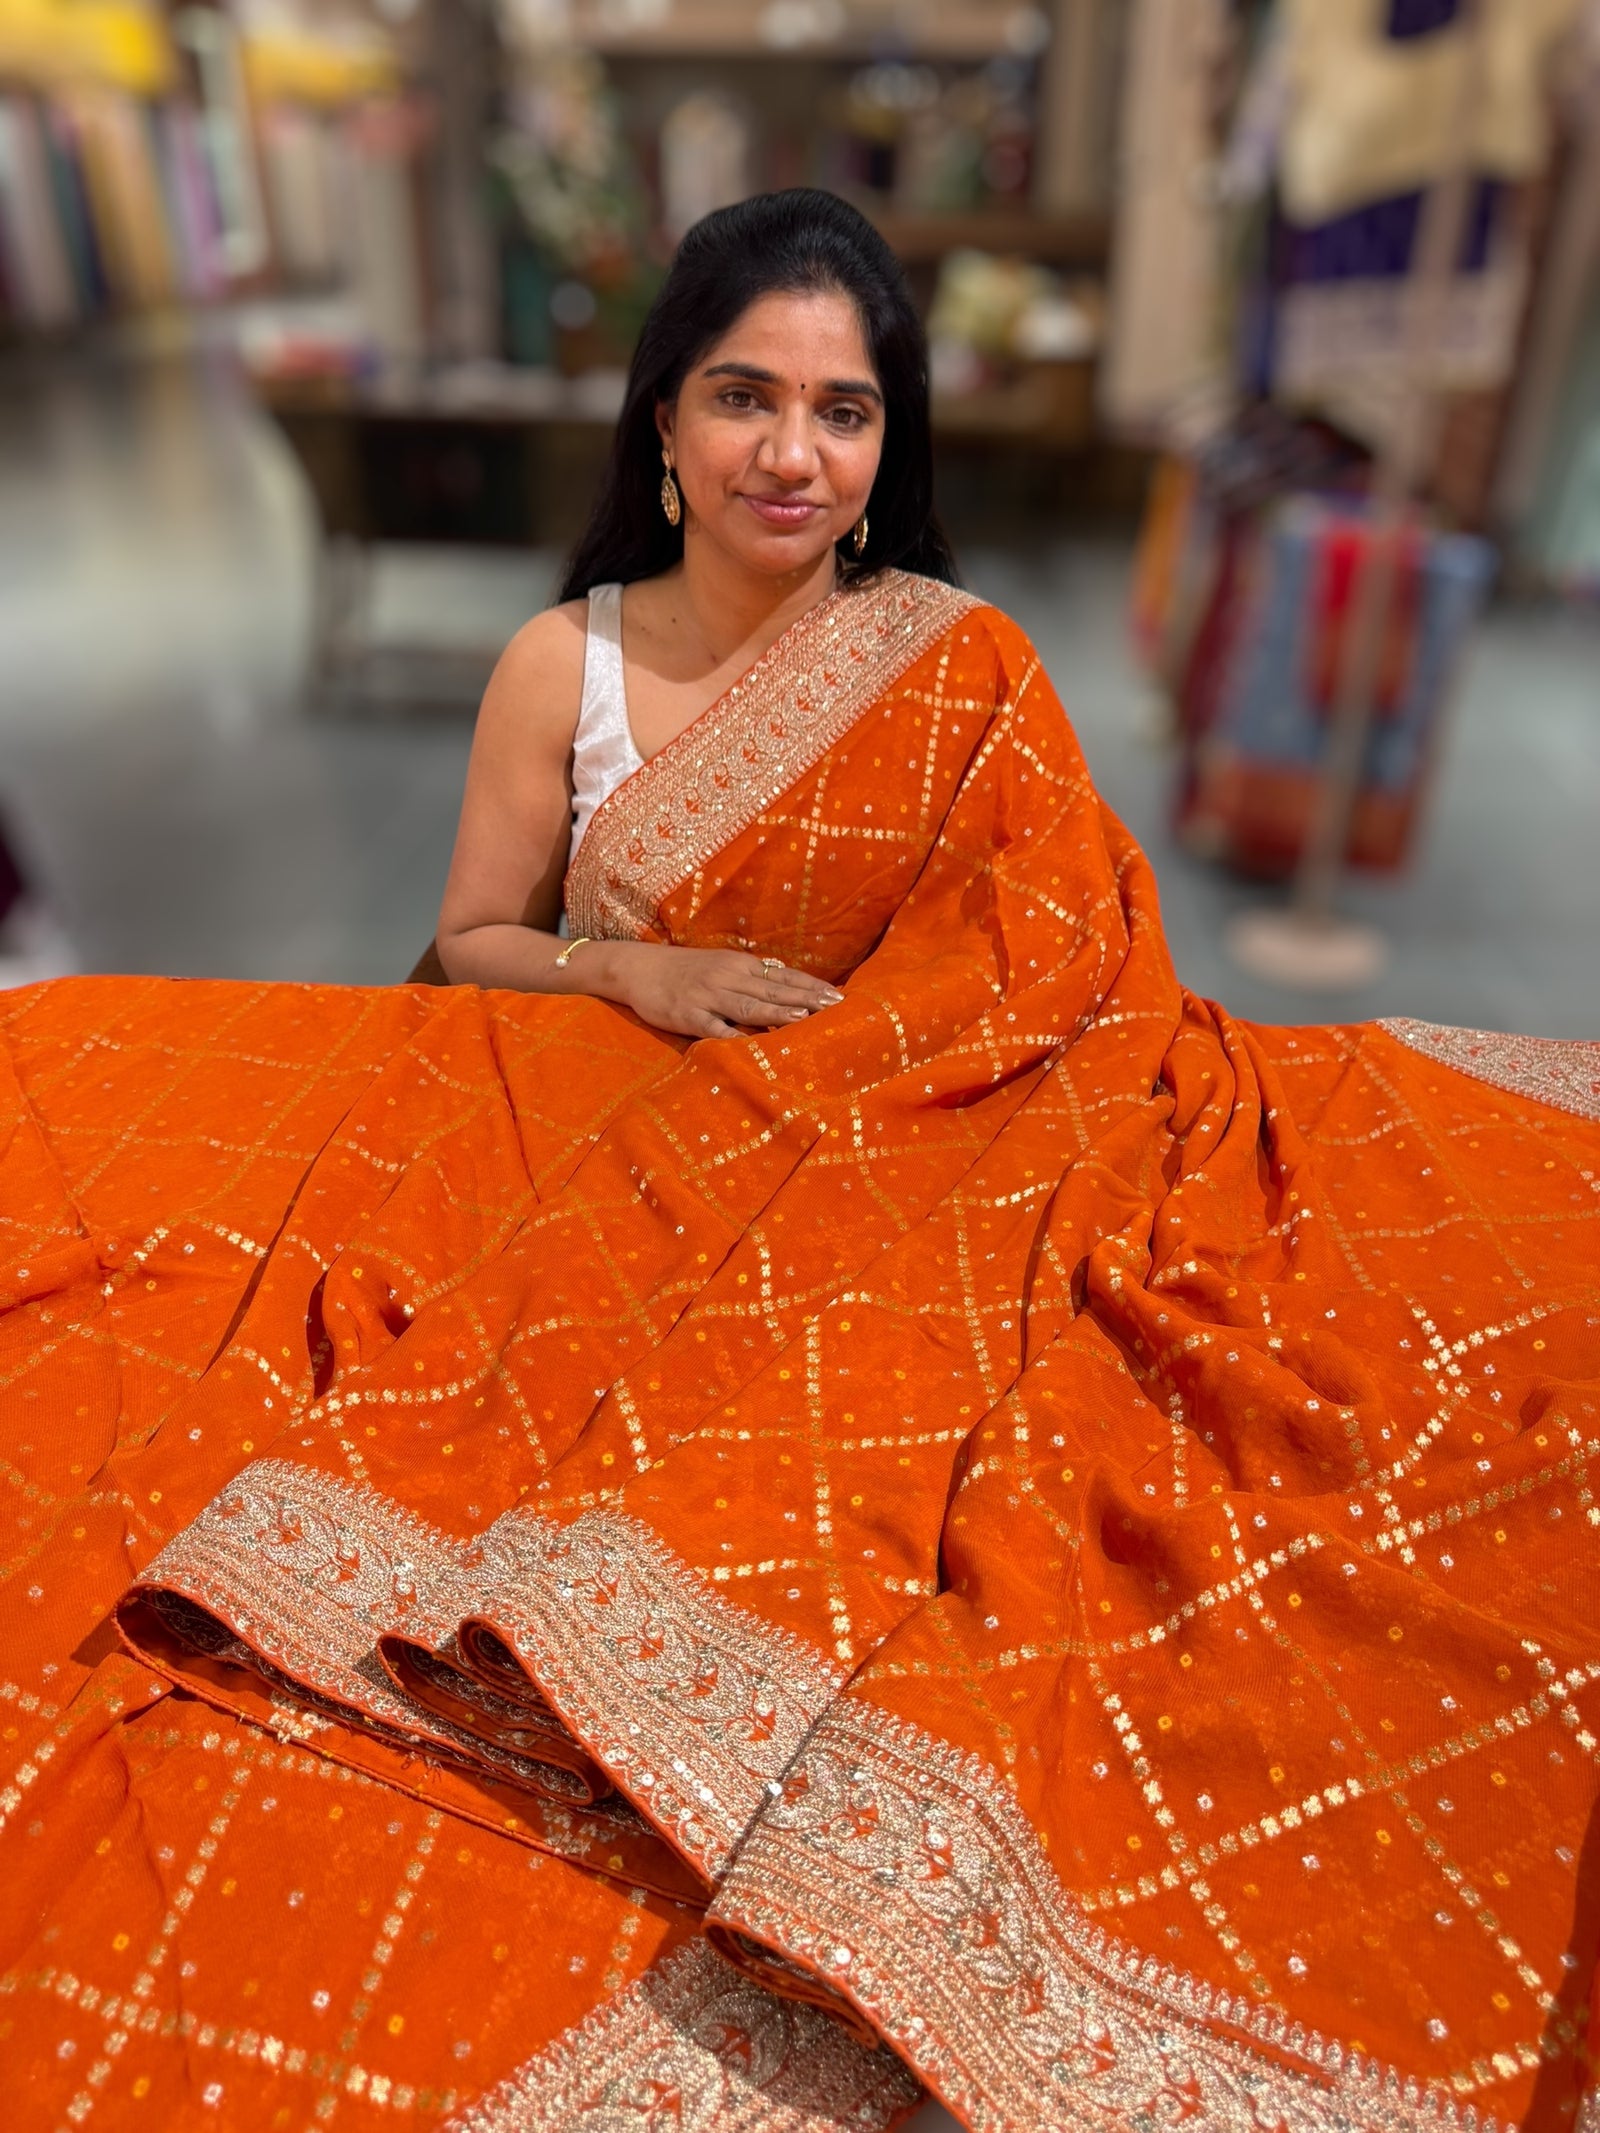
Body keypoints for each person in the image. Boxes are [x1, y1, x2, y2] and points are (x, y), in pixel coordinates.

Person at [1, 190, 1596, 2132]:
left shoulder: (958, 663)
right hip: (615, 1148)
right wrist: (642, 970)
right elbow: (475, 943)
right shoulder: (559, 665)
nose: (791, 450)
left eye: (841, 412)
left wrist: (893, 1092)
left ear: (882, 445)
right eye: (745, 396)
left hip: (924, 1164)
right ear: (663, 420)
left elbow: (1060, 968)